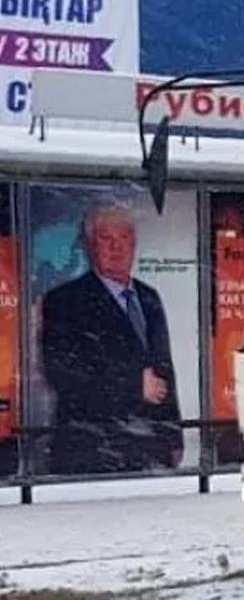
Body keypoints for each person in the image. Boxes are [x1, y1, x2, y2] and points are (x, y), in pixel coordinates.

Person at [40, 200, 183, 475]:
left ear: (134, 243)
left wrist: (173, 436)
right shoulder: (66, 301)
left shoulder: (148, 297)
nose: (116, 247)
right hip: (92, 452)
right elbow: (61, 373)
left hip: (150, 451)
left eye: (124, 237)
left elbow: (165, 370)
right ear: (90, 244)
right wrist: (132, 386)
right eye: (106, 238)